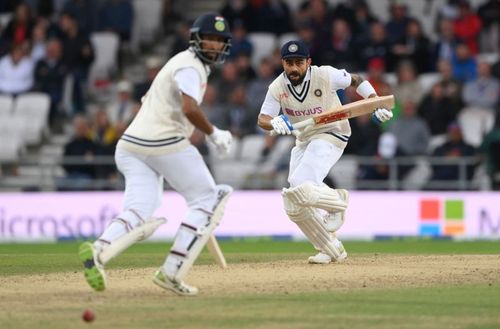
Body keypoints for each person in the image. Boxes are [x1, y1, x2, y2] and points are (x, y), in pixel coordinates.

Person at [78, 12, 234, 296]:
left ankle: (98, 251)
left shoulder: (179, 63)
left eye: (219, 41)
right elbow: (189, 108)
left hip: (130, 146)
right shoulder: (190, 66)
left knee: (139, 211)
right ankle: (172, 271)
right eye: (209, 39)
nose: (213, 46)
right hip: (163, 142)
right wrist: (213, 133)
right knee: (209, 198)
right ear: (197, 40)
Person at [257, 40, 393, 264]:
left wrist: (374, 101)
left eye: (299, 62)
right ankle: (330, 248)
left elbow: (356, 79)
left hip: (333, 131)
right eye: (289, 63)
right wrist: (274, 123)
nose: (293, 68)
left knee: (303, 182)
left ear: (308, 62)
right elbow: (263, 118)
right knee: (294, 201)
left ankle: (337, 202)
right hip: (304, 138)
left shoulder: (325, 75)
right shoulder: (277, 87)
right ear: (282, 63)